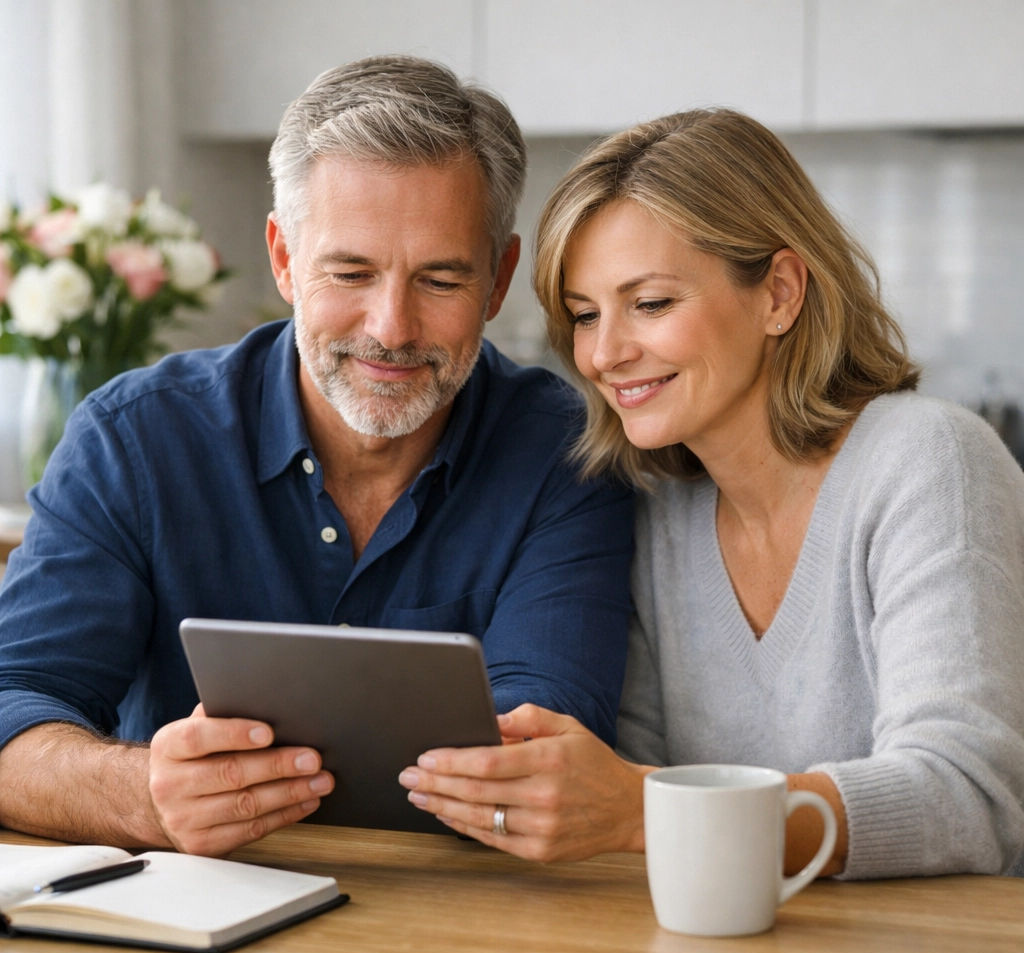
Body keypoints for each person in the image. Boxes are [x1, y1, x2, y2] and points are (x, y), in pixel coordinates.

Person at [0, 57, 633, 856]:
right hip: (191, 931)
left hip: (472, 933)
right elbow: (13, 706)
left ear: (499, 280)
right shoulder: (133, 440)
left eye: (439, 279)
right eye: (350, 272)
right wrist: (142, 796)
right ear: (284, 258)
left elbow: (546, 746)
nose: (391, 328)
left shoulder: (568, 455)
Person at [400, 109, 1024, 879]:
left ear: (780, 293)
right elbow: (627, 791)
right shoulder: (661, 510)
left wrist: (645, 807)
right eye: (585, 315)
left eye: (652, 303)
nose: (604, 353)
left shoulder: (930, 460)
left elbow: (969, 800)